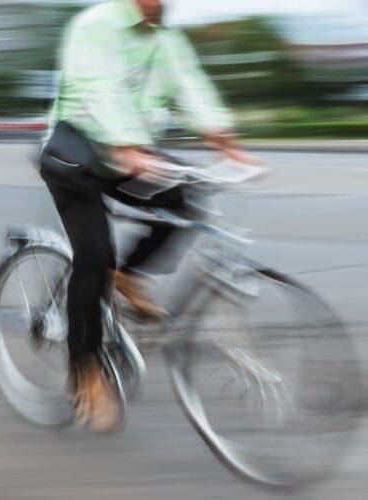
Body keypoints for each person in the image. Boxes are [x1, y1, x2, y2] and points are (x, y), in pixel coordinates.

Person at [39, 0, 257, 432]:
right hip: (76, 156)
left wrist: (225, 140)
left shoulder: (166, 39)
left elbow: (190, 84)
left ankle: (131, 274)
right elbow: (99, 87)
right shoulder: (95, 26)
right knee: (95, 257)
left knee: (187, 194)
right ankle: (85, 372)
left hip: (129, 154)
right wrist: (125, 145)